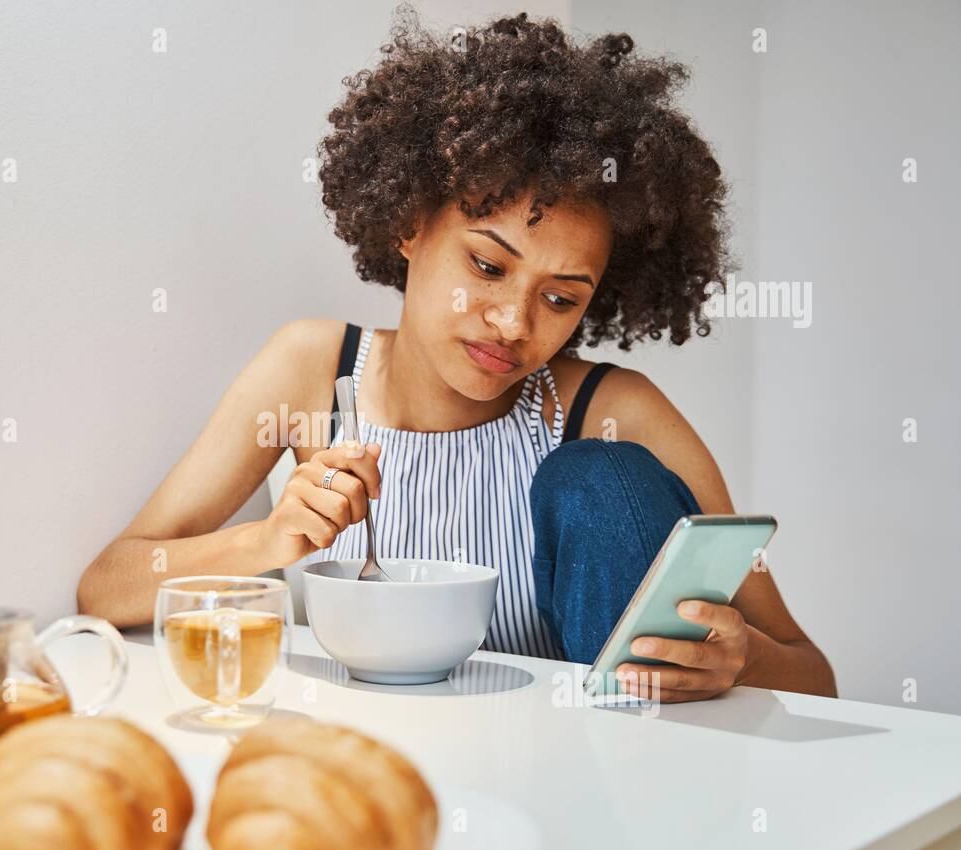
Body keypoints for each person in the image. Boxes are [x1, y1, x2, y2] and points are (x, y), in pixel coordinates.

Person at [79, 11, 836, 702]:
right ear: (409, 224)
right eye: (486, 266)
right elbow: (106, 588)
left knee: (601, 482)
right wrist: (267, 540)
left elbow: (814, 674)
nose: (512, 323)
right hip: (383, 789)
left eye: (561, 298)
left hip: (582, 784)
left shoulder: (615, 413)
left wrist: (743, 660)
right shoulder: (314, 369)